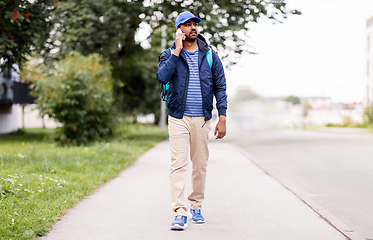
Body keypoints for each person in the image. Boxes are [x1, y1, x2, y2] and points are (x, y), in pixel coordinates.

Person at [156, 11, 227, 230]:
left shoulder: (210, 55)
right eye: (187, 25)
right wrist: (177, 51)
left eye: (195, 24)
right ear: (179, 29)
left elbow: (220, 86)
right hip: (178, 117)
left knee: (200, 165)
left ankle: (196, 206)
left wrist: (222, 117)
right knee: (178, 165)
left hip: (203, 119)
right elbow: (162, 77)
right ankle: (180, 211)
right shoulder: (169, 54)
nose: (193, 27)